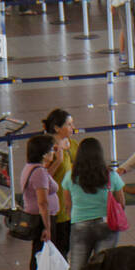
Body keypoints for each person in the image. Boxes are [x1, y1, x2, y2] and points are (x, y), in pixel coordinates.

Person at [55, 137, 126, 270]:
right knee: (101, 269)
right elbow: (121, 202)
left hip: (80, 226)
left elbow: (67, 204)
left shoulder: (70, 176)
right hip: (106, 226)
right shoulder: (111, 176)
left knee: (76, 269)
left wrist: (77, 217)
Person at [19, 133, 59, 270]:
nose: (54, 152)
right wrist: (47, 227)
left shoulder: (31, 168)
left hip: (37, 217)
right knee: (41, 258)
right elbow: (43, 202)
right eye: (52, 150)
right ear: (44, 154)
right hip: (42, 219)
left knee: (38, 255)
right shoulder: (39, 172)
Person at [41, 109, 79, 255]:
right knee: (57, 250)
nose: (73, 127)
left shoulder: (73, 145)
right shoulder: (48, 149)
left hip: (73, 205)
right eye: (69, 124)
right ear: (57, 128)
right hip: (57, 207)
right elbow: (42, 178)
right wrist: (58, 161)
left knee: (68, 246)